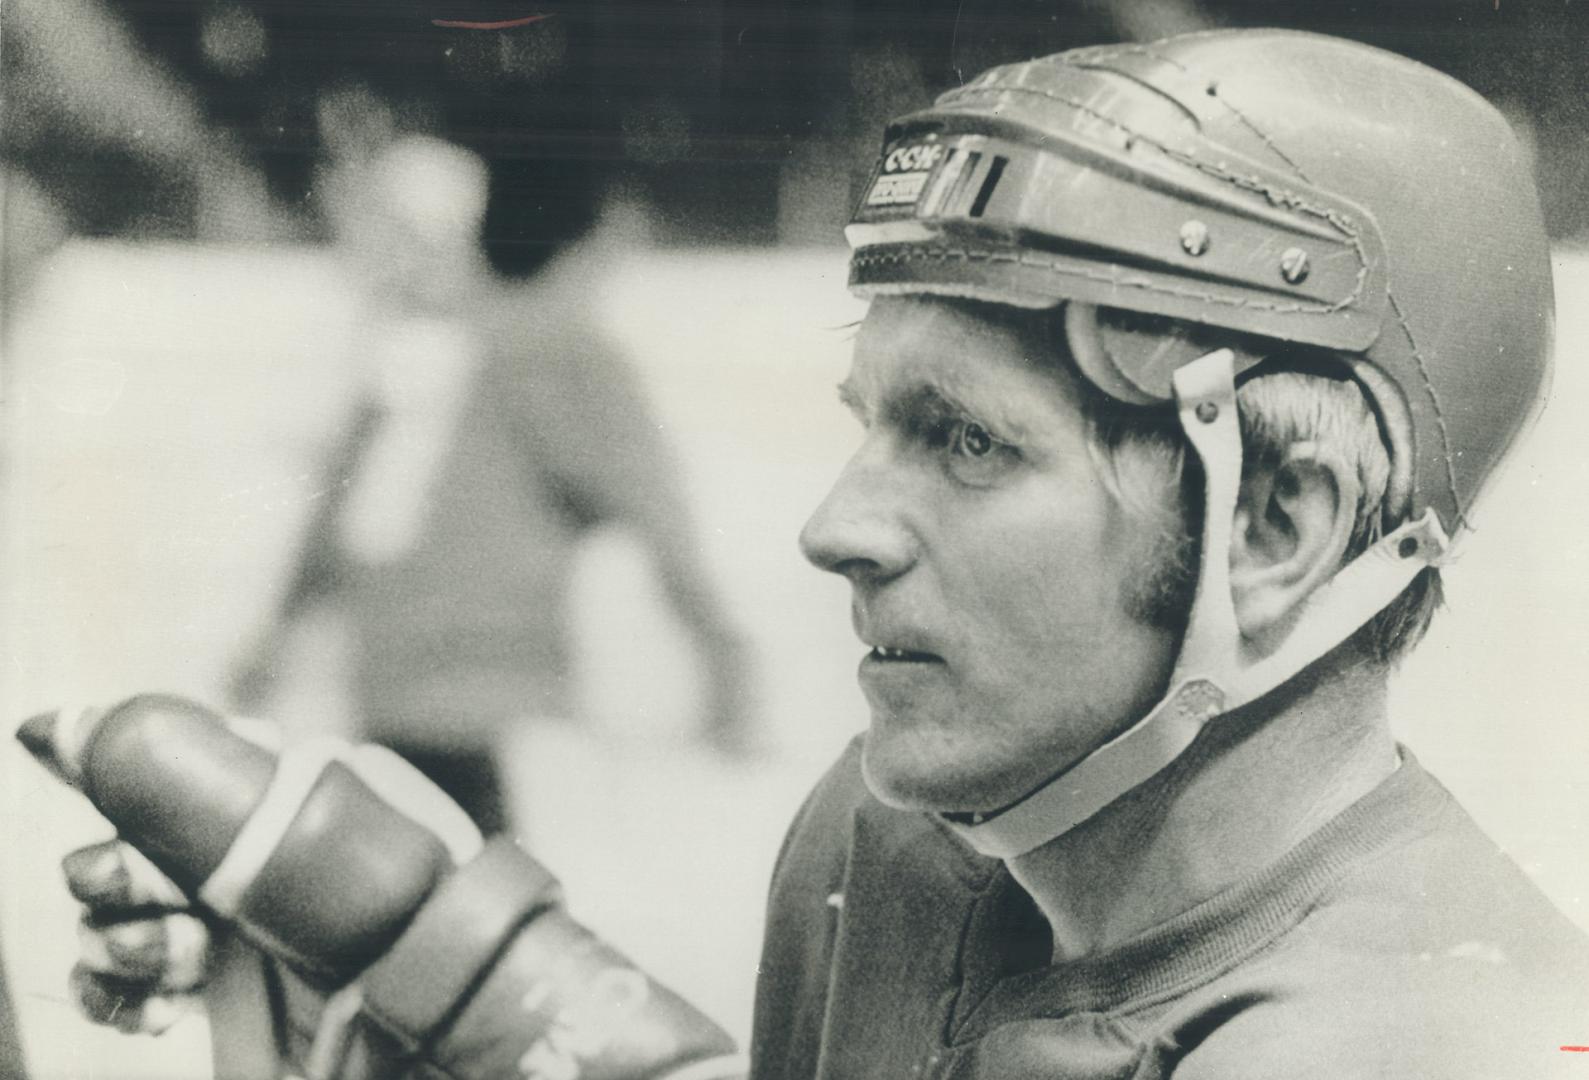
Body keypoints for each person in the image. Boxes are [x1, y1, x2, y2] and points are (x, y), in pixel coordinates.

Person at [18, 27, 1589, 1080]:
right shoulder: (892, 848)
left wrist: (497, 1001)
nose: (834, 526)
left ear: (1274, 527)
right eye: (872, 421)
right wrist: (386, 994)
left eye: (969, 441)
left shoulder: (1440, 1038)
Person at [228, 134, 756, 832]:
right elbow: (334, 527)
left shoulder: (508, 351)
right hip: (446, 708)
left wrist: (726, 668)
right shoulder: (435, 358)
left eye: (387, 236)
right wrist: (269, 648)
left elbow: (652, 505)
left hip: (456, 708)